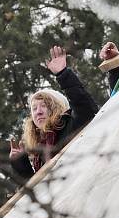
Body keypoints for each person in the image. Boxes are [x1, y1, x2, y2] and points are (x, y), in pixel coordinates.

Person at [9, 46, 100, 179]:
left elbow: (85, 107)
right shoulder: (39, 154)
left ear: (57, 108)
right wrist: (20, 163)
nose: (38, 112)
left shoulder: (70, 125)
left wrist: (63, 74)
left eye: (44, 106)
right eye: (34, 108)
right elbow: (39, 193)